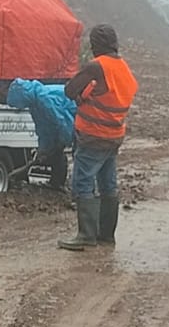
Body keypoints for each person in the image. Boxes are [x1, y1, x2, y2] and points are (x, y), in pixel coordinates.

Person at [58, 24, 138, 251]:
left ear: (96, 45)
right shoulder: (123, 68)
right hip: (114, 136)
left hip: (93, 136)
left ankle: (85, 235)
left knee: (83, 182)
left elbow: (70, 90)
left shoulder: (96, 67)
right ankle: (106, 235)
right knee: (108, 184)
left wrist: (82, 95)